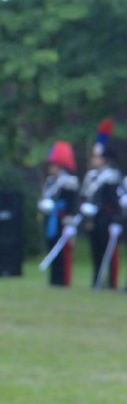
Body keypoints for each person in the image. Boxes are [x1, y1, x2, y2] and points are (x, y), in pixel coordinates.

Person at [79, 121, 121, 290]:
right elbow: (85, 196)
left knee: (108, 250)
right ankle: (97, 279)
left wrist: (116, 220)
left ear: (104, 159)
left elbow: (114, 201)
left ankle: (111, 282)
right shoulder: (91, 176)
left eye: (96, 157)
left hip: (106, 217)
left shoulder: (111, 176)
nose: (93, 159)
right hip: (93, 218)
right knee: (95, 249)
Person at [39, 140, 80, 287]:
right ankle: (54, 279)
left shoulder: (69, 182)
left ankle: (63, 280)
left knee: (63, 252)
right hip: (51, 220)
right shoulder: (51, 181)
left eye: (53, 165)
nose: (51, 168)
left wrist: (71, 224)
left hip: (63, 220)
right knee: (51, 248)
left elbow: (72, 205)